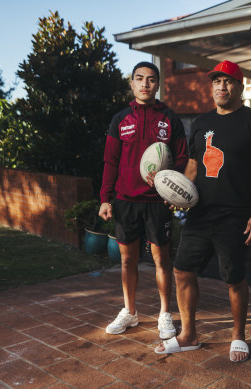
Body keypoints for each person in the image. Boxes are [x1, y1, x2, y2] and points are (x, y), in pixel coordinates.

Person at [154, 60, 251, 362]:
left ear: (240, 86)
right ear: (211, 87)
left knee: (233, 278)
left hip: (235, 214)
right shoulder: (200, 123)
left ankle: (239, 336)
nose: (222, 87)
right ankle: (189, 334)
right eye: (217, 81)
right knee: (182, 270)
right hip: (199, 213)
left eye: (229, 81)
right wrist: (178, 192)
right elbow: (193, 168)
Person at [99, 61, 188, 339]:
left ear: (158, 85)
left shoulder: (170, 119)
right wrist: (105, 198)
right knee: (127, 261)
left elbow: (183, 157)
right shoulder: (121, 119)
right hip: (125, 201)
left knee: (162, 259)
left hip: (157, 202)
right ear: (132, 83)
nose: (145, 84)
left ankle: (164, 314)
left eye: (151, 79)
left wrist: (170, 184)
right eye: (140, 79)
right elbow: (110, 161)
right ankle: (130, 311)